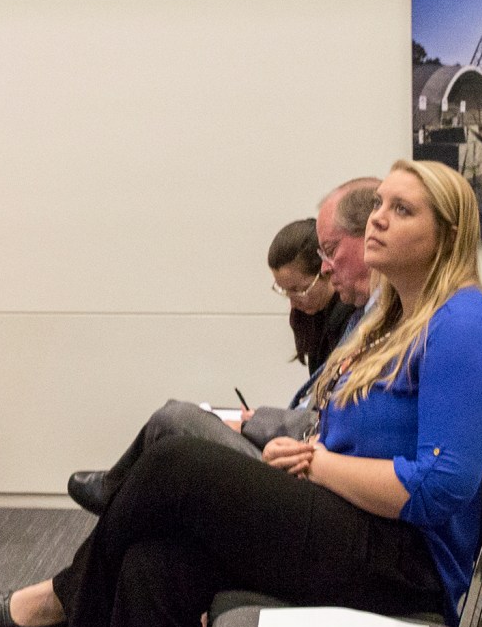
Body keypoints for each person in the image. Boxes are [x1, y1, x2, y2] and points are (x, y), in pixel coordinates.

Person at [0, 160, 482, 627]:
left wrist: (322, 465)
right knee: (158, 559)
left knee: (176, 460)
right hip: (357, 529)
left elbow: (440, 487)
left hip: (403, 565)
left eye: (402, 210)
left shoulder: (464, 325)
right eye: (380, 203)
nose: (379, 217)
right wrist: (310, 456)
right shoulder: (397, 317)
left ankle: (71, 600)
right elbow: (359, 442)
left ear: (447, 235)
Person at [59, 178, 377, 518]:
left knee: (174, 421)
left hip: (311, 479)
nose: (294, 301)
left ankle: (114, 496)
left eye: (330, 254)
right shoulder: (351, 319)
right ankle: (118, 503)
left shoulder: (364, 325)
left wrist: (256, 423)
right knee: (171, 448)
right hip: (304, 457)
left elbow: (322, 425)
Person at [270, 215, 356, 379]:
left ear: (325, 271)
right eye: (284, 291)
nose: (293, 302)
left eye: (299, 290)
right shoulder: (313, 318)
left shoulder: (351, 319)